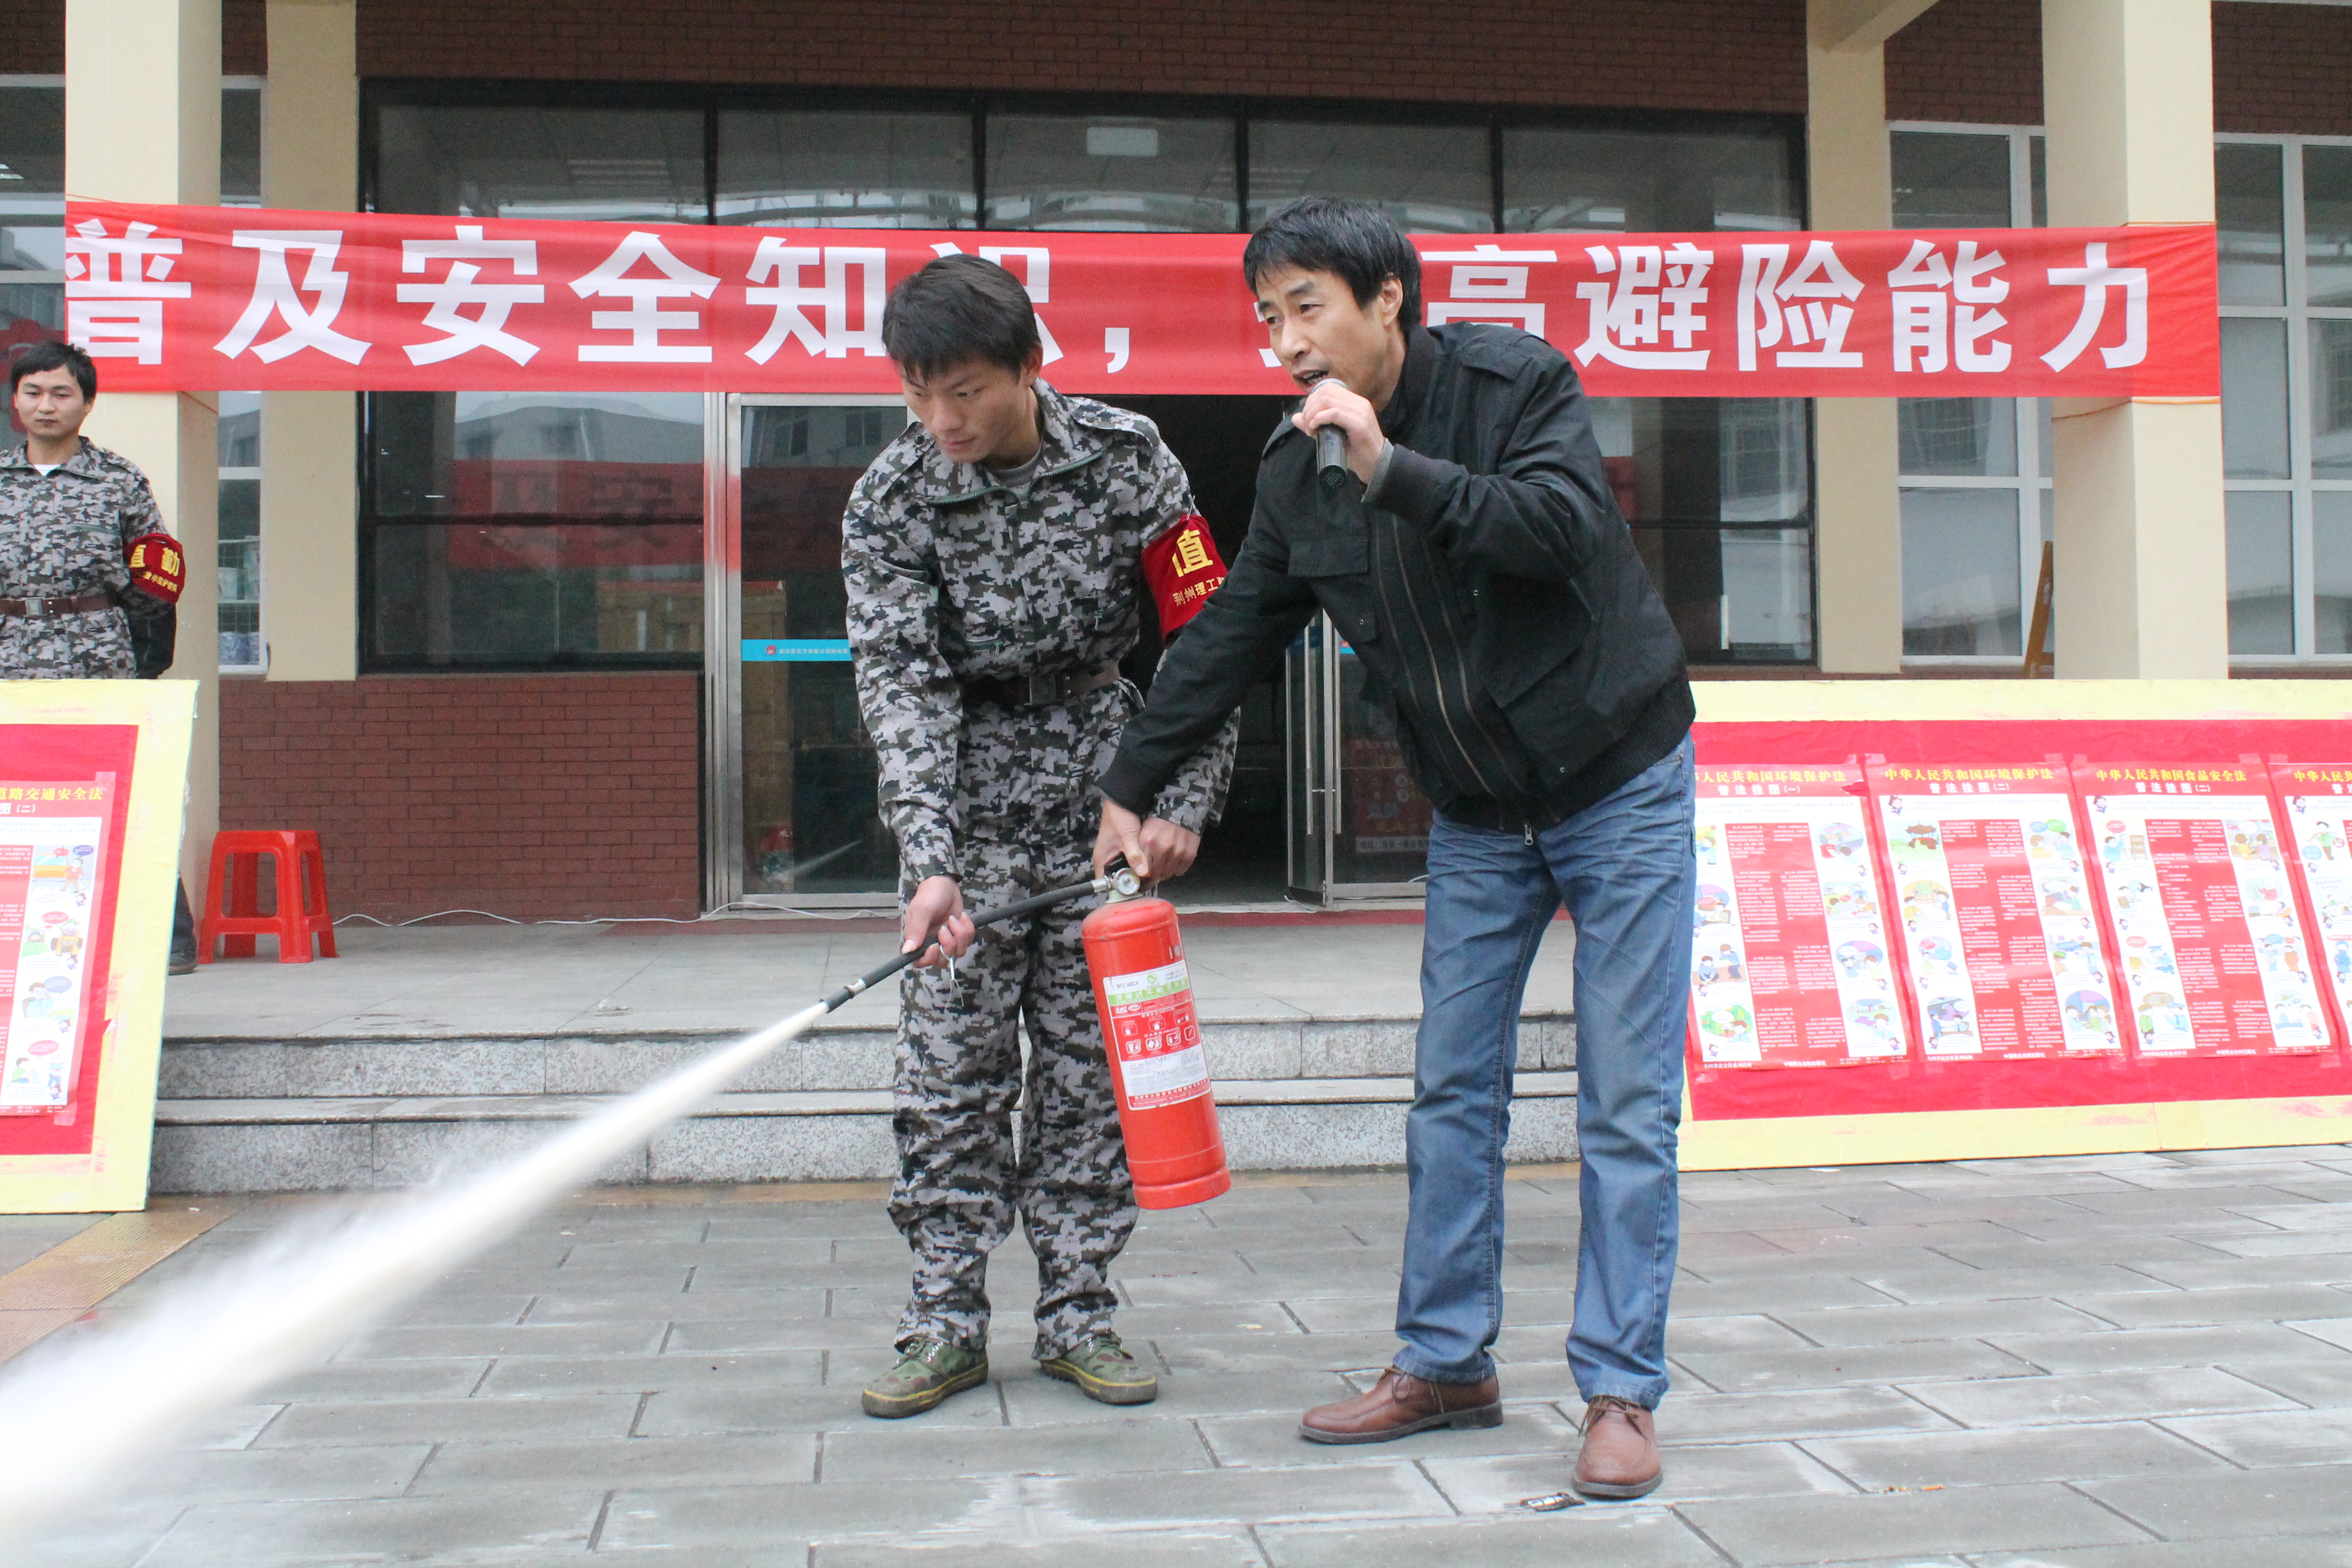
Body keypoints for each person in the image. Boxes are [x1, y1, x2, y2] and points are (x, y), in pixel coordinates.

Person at [1093, 198, 1696, 1499]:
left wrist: (1391, 466)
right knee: (1451, 1085)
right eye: (1268, 317)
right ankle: (1444, 1360)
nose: (1286, 341)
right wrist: (1131, 783)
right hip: (1478, 808)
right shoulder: (1291, 471)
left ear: (1387, 301)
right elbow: (1230, 634)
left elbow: (1560, 529)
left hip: (1618, 779)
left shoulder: (1513, 383)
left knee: (1624, 1094)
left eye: (1307, 307)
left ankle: (1620, 1390)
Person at [843, 255, 1238, 1419]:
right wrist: (930, 860)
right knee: (948, 1073)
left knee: (1090, 1069)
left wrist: (1178, 796)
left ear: (1029, 366)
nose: (942, 419)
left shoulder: (1127, 458)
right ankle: (943, 1318)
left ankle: (1079, 1310)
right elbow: (901, 680)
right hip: (965, 797)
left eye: (965, 390)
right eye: (918, 392)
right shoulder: (892, 496)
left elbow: (1204, 630)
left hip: (1101, 792)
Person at [3, 340, 197, 972]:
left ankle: (167, 934)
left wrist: (143, 662)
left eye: (61, 393)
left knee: (119, 796)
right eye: (33, 392)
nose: (46, 405)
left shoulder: (120, 480)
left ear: (87, 402)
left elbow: (155, 578)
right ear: (15, 401)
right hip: (9, 660)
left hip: (96, 658)